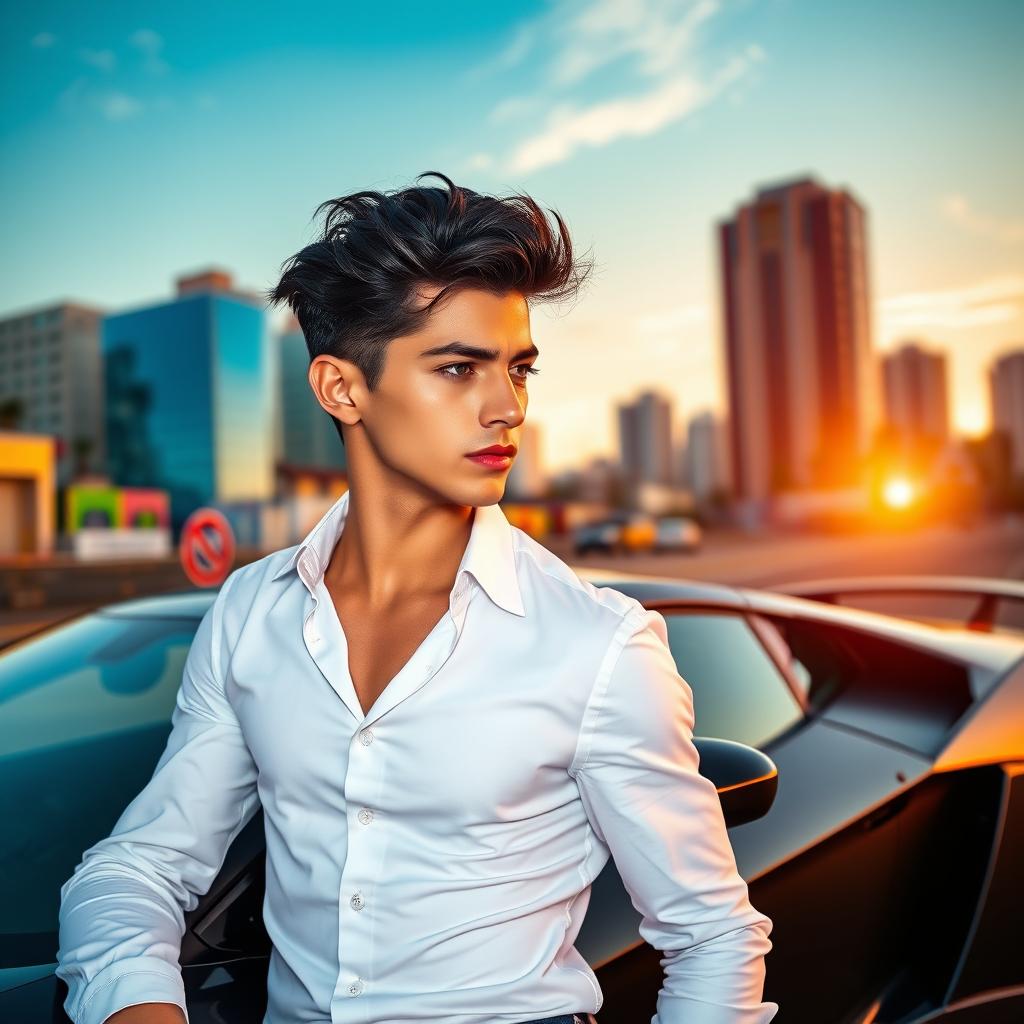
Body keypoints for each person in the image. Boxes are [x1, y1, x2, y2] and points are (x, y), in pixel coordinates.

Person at [56, 171, 778, 1024]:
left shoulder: (599, 644)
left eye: (518, 368)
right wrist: (139, 1007)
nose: (507, 406)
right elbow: (138, 867)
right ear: (340, 389)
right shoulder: (251, 613)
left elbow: (712, 939)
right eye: (459, 368)